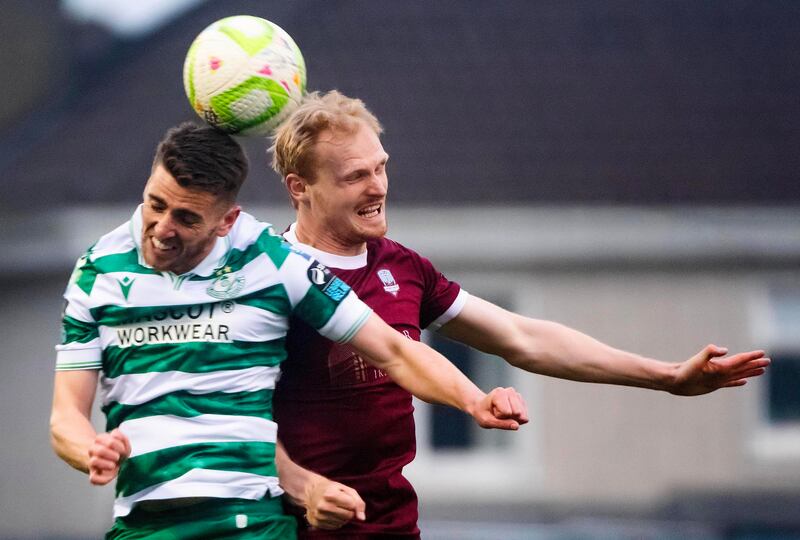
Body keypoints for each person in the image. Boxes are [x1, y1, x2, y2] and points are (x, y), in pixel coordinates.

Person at [268, 90, 771, 539]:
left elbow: (521, 336)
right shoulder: (264, 278)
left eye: (381, 167)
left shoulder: (402, 267)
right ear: (299, 188)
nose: (378, 187)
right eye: (356, 176)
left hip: (388, 524)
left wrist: (666, 376)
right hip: (286, 526)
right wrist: (304, 486)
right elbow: (221, 416)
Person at [48, 122, 528, 539]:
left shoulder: (273, 261)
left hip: (252, 521)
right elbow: (65, 416)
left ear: (226, 221)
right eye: (155, 204)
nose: (161, 228)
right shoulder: (97, 270)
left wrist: (472, 400)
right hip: (144, 523)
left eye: (187, 218)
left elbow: (392, 350)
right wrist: (91, 448)